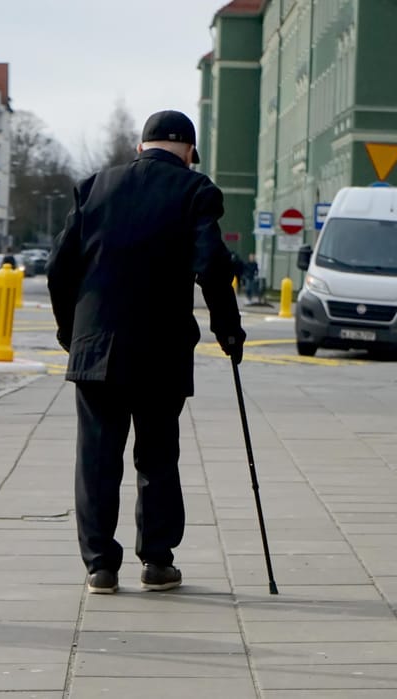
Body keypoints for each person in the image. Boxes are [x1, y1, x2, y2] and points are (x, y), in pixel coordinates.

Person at [47, 109, 245, 595]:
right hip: (161, 349)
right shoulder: (196, 191)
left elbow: (58, 266)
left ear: (140, 147)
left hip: (96, 349)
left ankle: (100, 566)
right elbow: (212, 266)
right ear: (190, 153)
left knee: (97, 457)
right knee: (157, 455)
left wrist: (71, 331)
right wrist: (228, 329)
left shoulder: (94, 187)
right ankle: (157, 561)